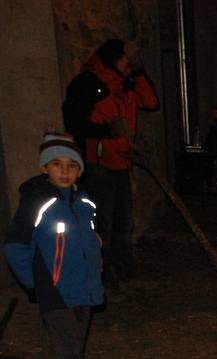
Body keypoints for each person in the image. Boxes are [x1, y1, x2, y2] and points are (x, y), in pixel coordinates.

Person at [4, 132, 106, 359]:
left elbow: (92, 243)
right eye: (56, 164)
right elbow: (15, 246)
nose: (64, 171)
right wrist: (35, 283)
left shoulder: (85, 203)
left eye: (72, 165)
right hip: (56, 291)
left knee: (76, 346)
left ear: (80, 170)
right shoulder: (37, 204)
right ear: (44, 168)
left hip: (83, 290)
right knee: (68, 350)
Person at [62, 37, 159, 284]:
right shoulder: (87, 84)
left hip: (122, 164)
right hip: (99, 166)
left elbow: (150, 102)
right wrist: (108, 132)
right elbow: (74, 123)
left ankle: (124, 267)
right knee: (103, 223)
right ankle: (102, 272)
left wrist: (138, 73)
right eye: (127, 61)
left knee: (123, 223)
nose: (129, 66)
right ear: (113, 59)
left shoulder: (125, 85)